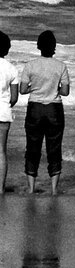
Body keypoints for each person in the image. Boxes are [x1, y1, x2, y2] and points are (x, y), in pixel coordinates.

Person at [19, 30, 70, 196]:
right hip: (54, 109)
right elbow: (65, 91)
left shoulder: (30, 65)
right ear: (54, 47)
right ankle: (54, 189)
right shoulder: (61, 66)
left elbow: (23, 90)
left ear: (39, 47)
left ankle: (31, 188)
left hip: (35, 108)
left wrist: (35, 86)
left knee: (32, 147)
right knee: (54, 147)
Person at [0, 31, 19, 195]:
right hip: (3, 113)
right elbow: (14, 98)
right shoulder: (11, 68)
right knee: (1, 151)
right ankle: (0, 189)